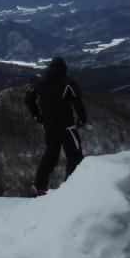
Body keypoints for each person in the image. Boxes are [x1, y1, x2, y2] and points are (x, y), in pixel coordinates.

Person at [24, 56, 88, 196]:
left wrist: (37, 116)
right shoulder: (67, 83)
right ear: (64, 69)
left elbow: (28, 99)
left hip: (49, 128)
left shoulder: (40, 83)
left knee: (51, 156)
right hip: (67, 128)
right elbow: (78, 102)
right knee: (75, 157)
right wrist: (82, 119)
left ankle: (38, 186)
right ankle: (72, 188)